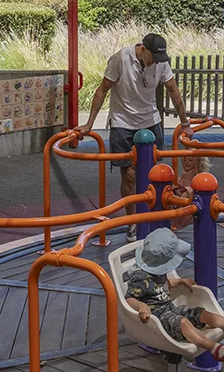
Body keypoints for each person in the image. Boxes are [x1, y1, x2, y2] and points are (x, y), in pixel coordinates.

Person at [77, 34, 190, 241]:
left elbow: (173, 91)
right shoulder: (121, 59)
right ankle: (133, 222)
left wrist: (185, 124)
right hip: (123, 122)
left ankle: (154, 220)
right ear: (143, 49)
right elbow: (102, 90)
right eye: (153, 57)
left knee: (155, 174)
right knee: (129, 174)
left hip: (150, 121)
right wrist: (89, 124)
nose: (155, 61)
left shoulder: (161, 63)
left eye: (159, 58)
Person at [124, 229, 224, 362]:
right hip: (157, 318)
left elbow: (162, 285)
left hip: (170, 309)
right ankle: (212, 347)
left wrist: (180, 281)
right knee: (183, 322)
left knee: (202, 313)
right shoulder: (140, 277)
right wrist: (141, 306)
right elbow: (129, 298)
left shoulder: (157, 269)